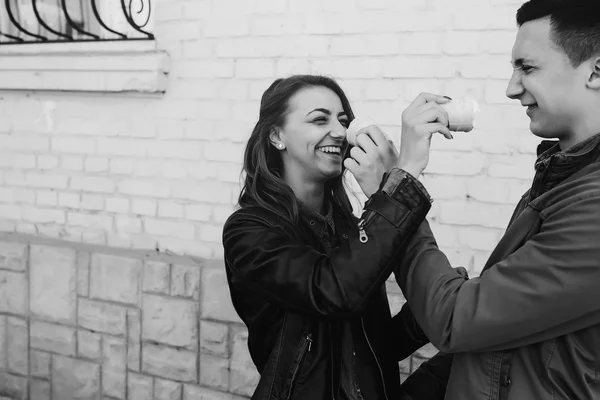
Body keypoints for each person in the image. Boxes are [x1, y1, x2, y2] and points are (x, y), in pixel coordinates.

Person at [392, 1, 600, 399]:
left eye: (527, 67)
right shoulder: (562, 178)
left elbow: (458, 318)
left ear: (596, 70)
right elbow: (500, 340)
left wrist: (399, 192)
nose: (511, 87)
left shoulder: (592, 206)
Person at [222, 75, 455, 400]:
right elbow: (333, 290)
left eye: (344, 121)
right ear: (277, 135)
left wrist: (437, 305)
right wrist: (405, 173)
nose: (339, 131)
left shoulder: (350, 227)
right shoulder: (249, 231)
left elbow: (372, 347)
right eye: (320, 119)